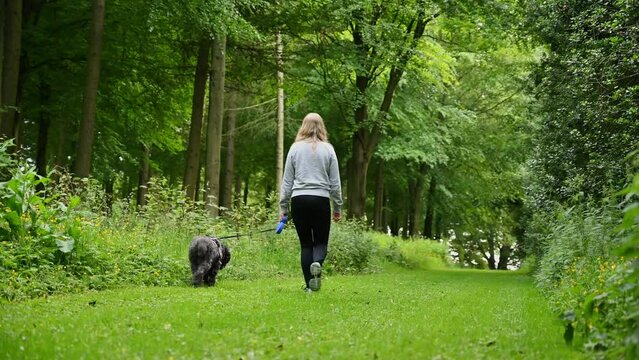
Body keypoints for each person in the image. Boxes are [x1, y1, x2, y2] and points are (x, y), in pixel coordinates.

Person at [279, 112, 343, 293]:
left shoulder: (294, 148)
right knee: (321, 243)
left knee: (306, 244)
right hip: (321, 199)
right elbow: (335, 183)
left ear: (303, 127)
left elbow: (287, 182)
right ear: (321, 127)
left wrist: (284, 207)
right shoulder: (328, 149)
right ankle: (317, 262)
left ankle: (309, 286)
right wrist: (337, 207)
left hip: (299, 200)